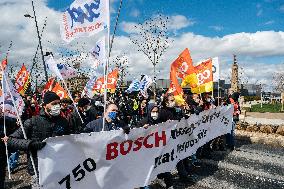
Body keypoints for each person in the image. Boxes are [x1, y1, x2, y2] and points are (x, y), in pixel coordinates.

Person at [7, 91, 70, 189]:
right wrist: (30, 144)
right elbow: (11, 140)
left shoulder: (64, 122)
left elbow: (71, 140)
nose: (57, 106)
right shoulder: (32, 122)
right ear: (44, 105)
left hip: (59, 167)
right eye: (54, 104)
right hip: (38, 170)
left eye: (59, 103)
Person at [136, 103, 173, 189]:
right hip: (146, 152)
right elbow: (135, 135)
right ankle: (145, 186)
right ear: (149, 111)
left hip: (159, 150)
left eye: (157, 111)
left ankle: (169, 184)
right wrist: (141, 130)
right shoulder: (143, 122)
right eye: (153, 111)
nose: (155, 113)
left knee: (164, 166)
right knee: (146, 170)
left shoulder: (161, 121)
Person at [0, 115, 18, 189]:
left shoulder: (6, 120)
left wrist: (18, 124)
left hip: (2, 152)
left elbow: (14, 131)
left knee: (1, 173)